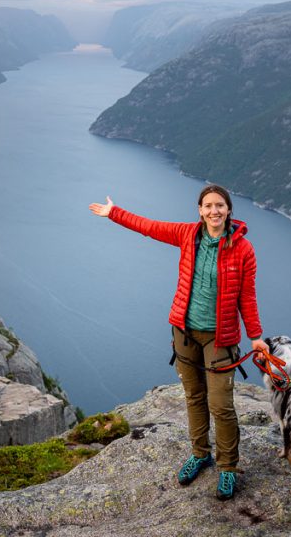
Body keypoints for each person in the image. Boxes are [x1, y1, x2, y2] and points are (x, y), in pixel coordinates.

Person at [89, 185, 266, 500]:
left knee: (221, 405)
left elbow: (247, 298)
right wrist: (114, 213)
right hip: (184, 332)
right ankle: (200, 454)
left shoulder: (243, 250)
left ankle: (227, 468)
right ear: (200, 210)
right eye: (208, 206)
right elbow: (151, 228)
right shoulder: (188, 235)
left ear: (229, 210)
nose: (214, 211)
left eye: (220, 206)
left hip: (220, 337)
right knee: (194, 397)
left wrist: (255, 337)